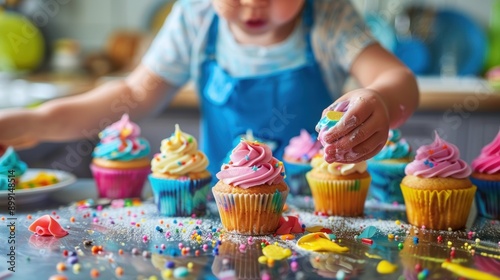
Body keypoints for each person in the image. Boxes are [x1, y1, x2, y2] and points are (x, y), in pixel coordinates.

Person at [0, 0, 419, 177]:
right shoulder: (197, 17)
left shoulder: (329, 17)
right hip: (224, 218)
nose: (253, 4)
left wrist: (381, 98)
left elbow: (399, 80)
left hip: (320, 219)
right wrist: (33, 121)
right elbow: (130, 96)